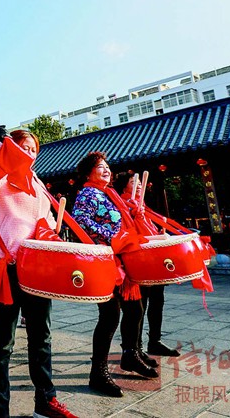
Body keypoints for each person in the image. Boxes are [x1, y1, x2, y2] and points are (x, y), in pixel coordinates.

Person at [0, 127, 77, 418]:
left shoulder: (38, 185)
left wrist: (53, 232)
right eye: (22, 146)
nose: (28, 152)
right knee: (3, 343)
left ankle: (46, 401)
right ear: (11, 148)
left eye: (32, 148)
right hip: (9, 269)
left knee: (42, 336)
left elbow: (48, 220)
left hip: (38, 270)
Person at [71, 152, 157, 399]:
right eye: (100, 167)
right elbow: (80, 222)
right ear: (89, 172)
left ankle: (131, 354)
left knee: (135, 308)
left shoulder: (108, 194)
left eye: (107, 166)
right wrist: (113, 238)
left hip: (121, 257)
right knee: (109, 316)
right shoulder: (87, 194)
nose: (107, 170)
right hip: (104, 258)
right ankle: (98, 372)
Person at [113, 172, 179, 359]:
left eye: (140, 182)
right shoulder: (123, 205)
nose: (139, 185)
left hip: (154, 257)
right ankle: (136, 347)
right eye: (134, 182)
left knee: (157, 301)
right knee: (139, 306)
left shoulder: (142, 206)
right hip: (139, 260)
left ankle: (154, 340)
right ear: (124, 186)